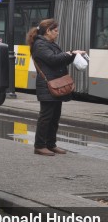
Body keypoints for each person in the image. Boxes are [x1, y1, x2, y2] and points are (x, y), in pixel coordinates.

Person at [27, 18, 86, 156]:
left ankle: (51, 144)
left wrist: (74, 55)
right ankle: (39, 146)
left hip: (56, 84)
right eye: (56, 30)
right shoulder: (40, 45)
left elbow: (59, 58)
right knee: (46, 117)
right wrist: (70, 53)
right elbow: (53, 60)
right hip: (48, 85)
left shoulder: (49, 43)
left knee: (54, 117)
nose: (57, 33)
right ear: (48, 31)